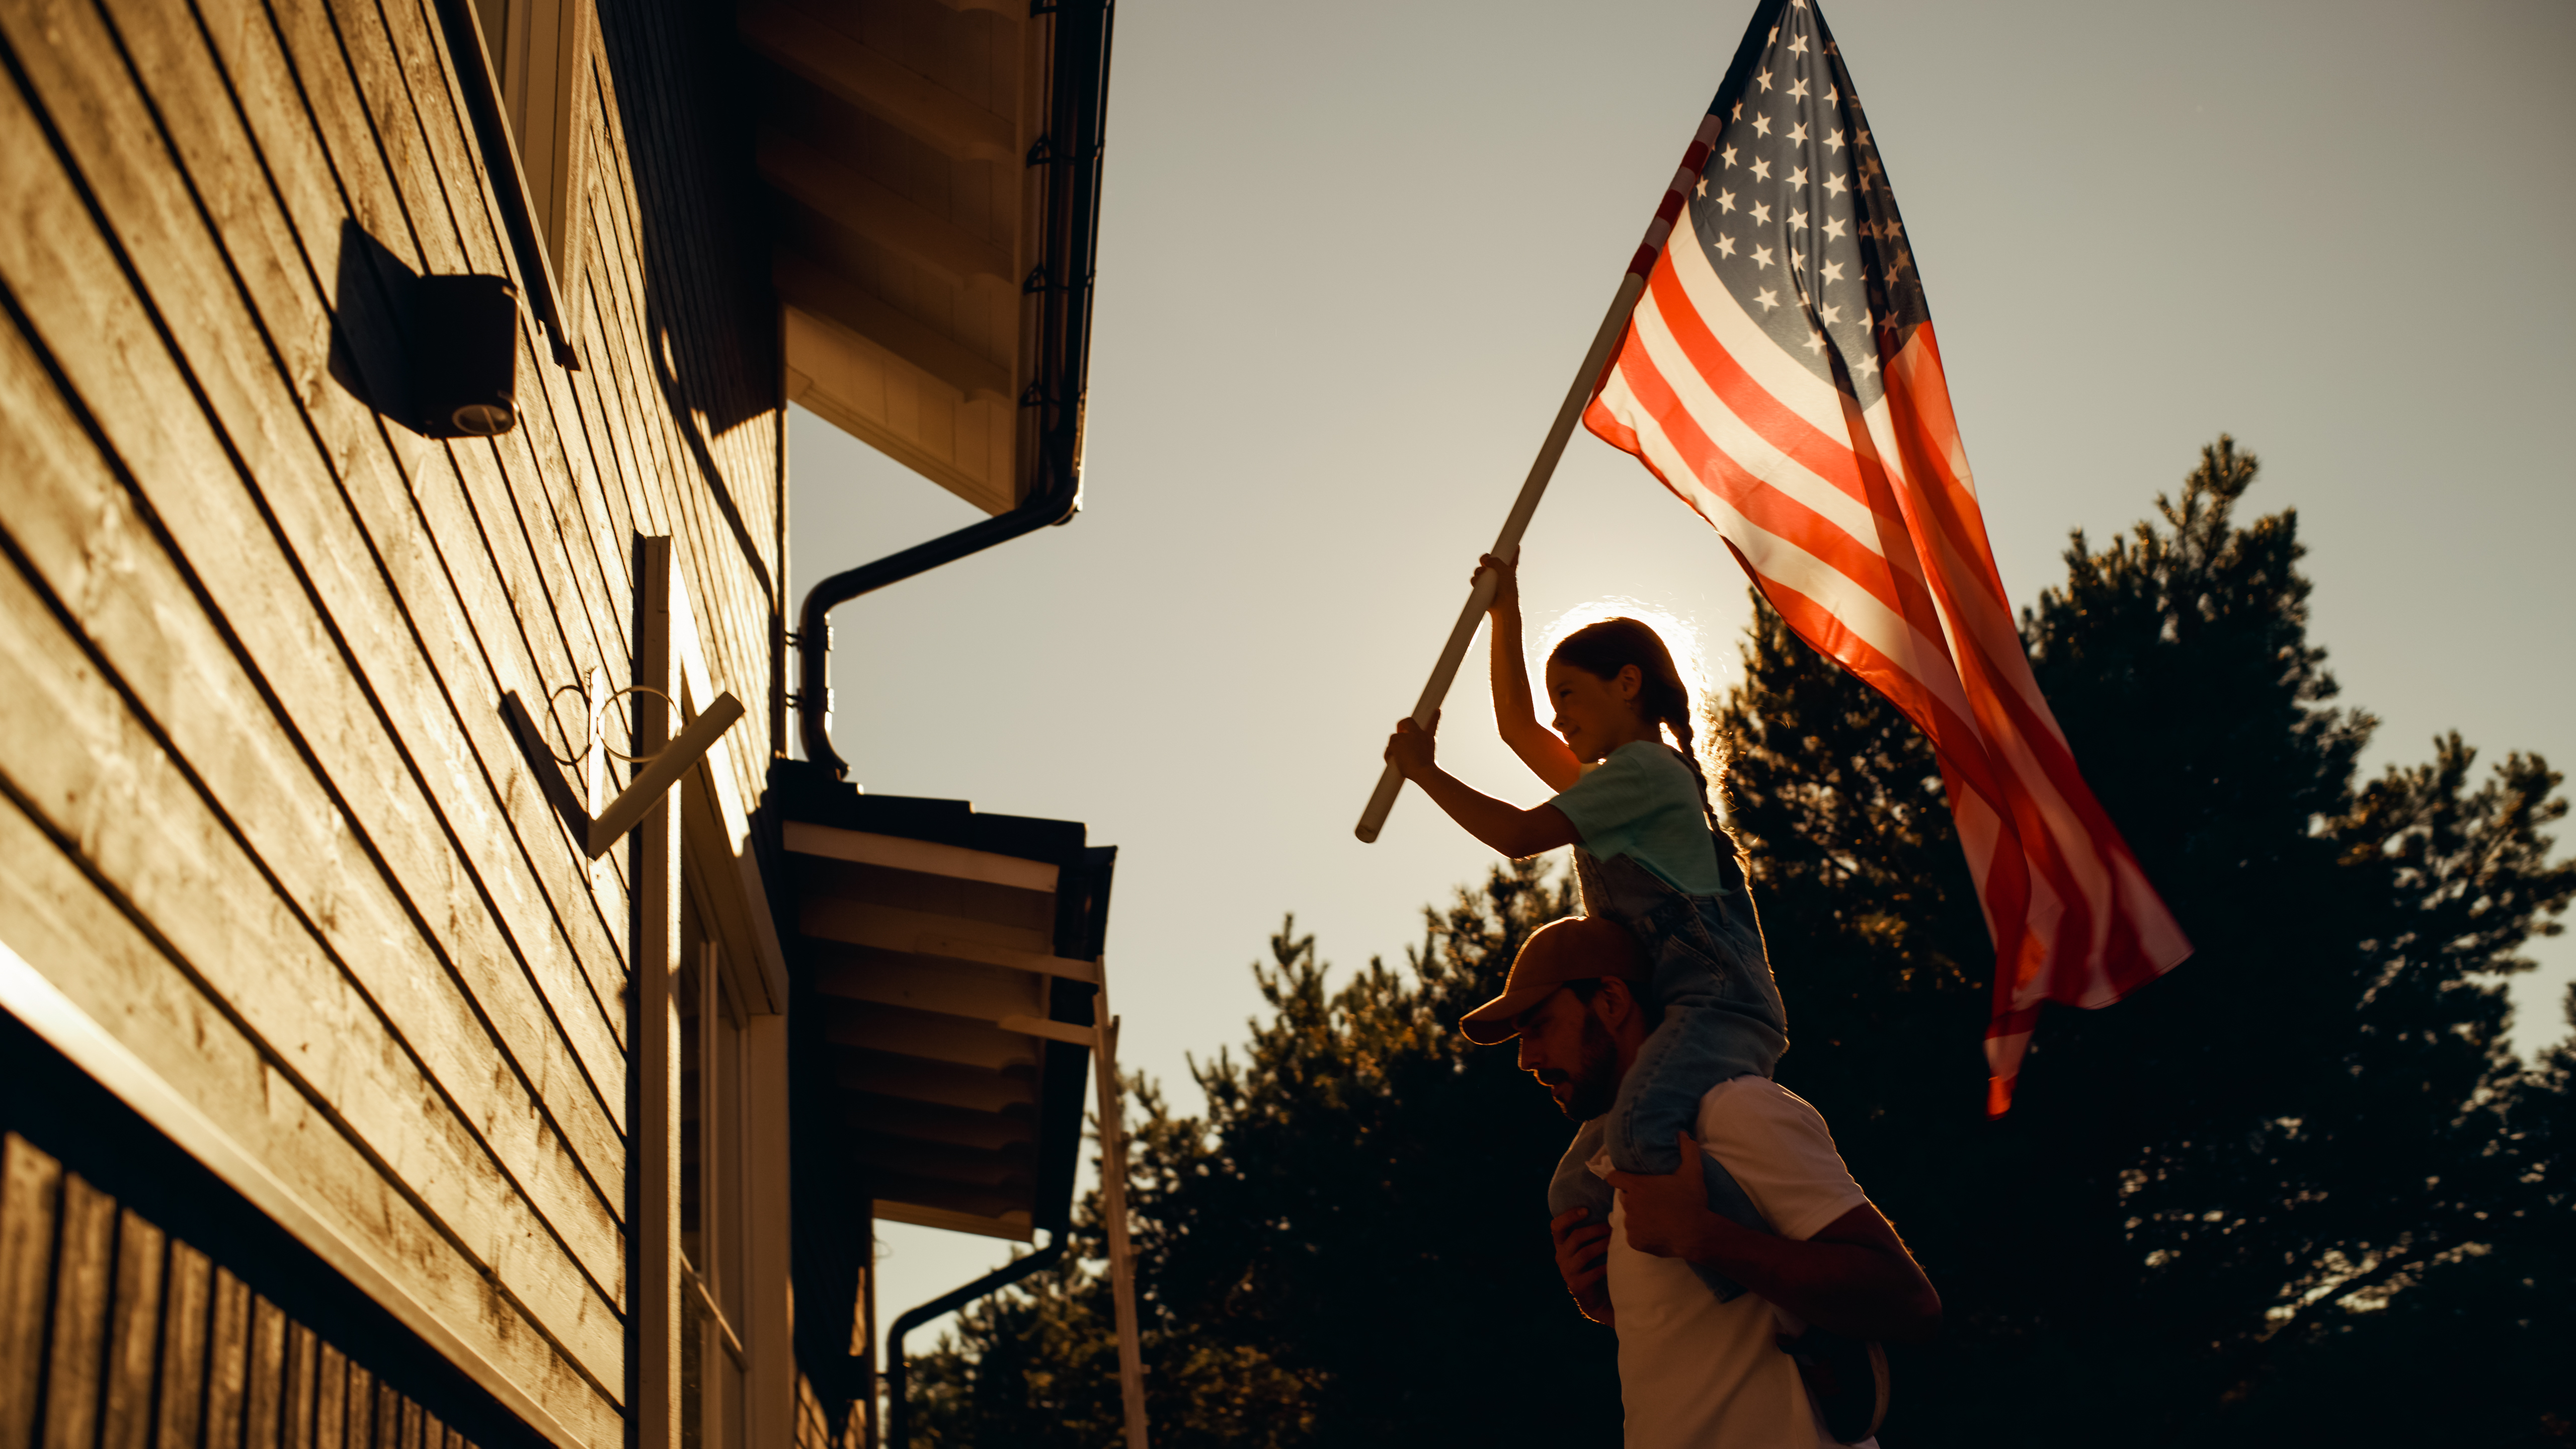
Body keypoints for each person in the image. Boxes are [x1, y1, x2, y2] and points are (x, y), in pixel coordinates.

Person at [1383, 550, 1785, 1301]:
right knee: (1573, 1186)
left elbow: (1516, 835)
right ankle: (1620, 1300)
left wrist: (1424, 772)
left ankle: (1775, 1289)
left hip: (1718, 1004)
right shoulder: (1620, 784)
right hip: (1676, 1014)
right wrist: (1506, 615)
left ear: (1627, 684)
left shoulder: (1643, 775)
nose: (1560, 716)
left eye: (1570, 693)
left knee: (1635, 1134)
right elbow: (1515, 729)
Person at [1464, 917, 1941, 1446]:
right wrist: (1611, 1310)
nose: (1527, 1059)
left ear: (1612, 1001)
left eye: (1538, 1027)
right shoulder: (1618, 1167)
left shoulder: (1736, 1109)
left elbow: (1908, 1302)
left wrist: (1705, 1238)